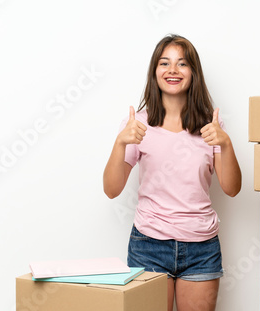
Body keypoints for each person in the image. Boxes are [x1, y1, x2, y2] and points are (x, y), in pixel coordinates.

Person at [103, 34, 241, 311]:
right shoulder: (137, 124)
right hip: (148, 245)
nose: (173, 70)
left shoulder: (211, 125)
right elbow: (111, 189)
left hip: (202, 247)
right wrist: (121, 142)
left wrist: (226, 143)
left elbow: (231, 188)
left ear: (194, 72)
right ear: (155, 72)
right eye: (165, 63)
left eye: (182, 64)